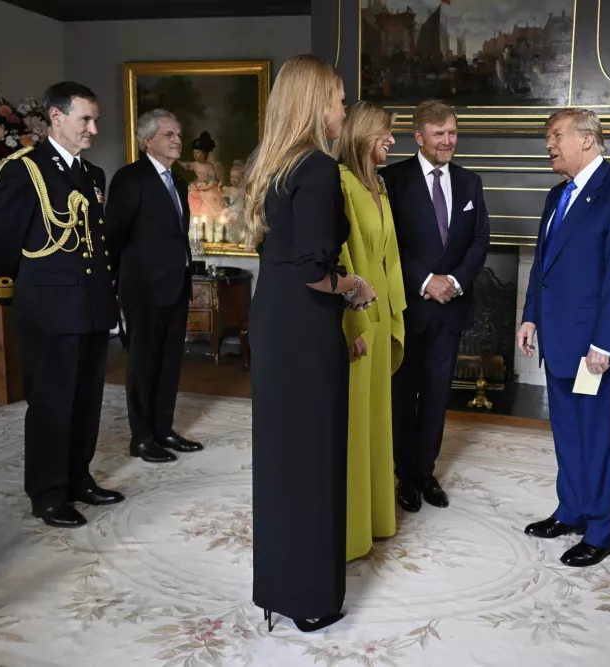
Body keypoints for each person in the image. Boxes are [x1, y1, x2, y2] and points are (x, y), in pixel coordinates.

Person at [244, 55, 375, 633]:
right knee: (315, 459)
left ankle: (281, 587)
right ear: (315, 103)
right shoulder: (318, 169)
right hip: (304, 324)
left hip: (273, 324)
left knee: (282, 460)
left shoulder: (271, 166)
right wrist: (355, 288)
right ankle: (311, 598)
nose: (344, 109)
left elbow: (286, 259)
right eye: (339, 98)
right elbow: (314, 269)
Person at [0, 81, 124, 527]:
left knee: (86, 401)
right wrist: (24, 290)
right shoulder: (23, 170)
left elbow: (97, 246)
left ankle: (77, 478)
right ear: (56, 118)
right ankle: (46, 493)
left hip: (91, 308)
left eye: (95, 119)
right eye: (86, 119)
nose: (94, 129)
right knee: (50, 405)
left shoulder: (92, 175)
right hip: (47, 311)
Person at [516, 108, 610, 567]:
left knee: (598, 438)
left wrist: (605, 344)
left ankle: (603, 531)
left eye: (555, 135)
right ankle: (570, 512)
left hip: (595, 344)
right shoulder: (557, 195)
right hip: (557, 336)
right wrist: (530, 316)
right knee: (567, 433)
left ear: (588, 140)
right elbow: (544, 264)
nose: (548, 144)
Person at [384, 100, 490, 513]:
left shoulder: (470, 182)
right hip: (410, 306)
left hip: (451, 309)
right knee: (402, 394)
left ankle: (425, 473)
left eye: (452, 133)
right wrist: (427, 281)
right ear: (419, 136)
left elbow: (480, 240)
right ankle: (403, 475)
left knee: (435, 395)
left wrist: (456, 282)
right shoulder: (391, 180)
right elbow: (389, 244)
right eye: (439, 133)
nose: (448, 141)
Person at [333, 100, 408, 561]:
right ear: (363, 134)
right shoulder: (339, 183)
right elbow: (339, 256)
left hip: (383, 314)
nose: (392, 140)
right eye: (386, 132)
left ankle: (379, 518)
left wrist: (396, 313)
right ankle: (351, 531)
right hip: (356, 317)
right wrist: (353, 322)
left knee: (379, 421)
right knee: (356, 426)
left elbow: (391, 256)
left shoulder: (378, 183)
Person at [107, 109, 204, 464]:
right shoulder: (130, 179)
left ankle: (164, 429)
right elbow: (113, 235)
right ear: (148, 140)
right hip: (143, 289)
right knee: (143, 366)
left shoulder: (178, 182)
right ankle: (142, 438)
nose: (177, 139)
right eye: (169, 134)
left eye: (178, 133)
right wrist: (113, 283)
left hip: (176, 286)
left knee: (170, 363)